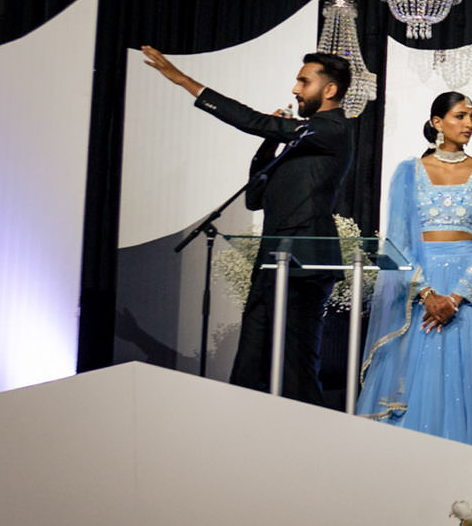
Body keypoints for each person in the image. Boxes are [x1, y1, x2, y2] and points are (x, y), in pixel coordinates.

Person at [140, 46, 353, 406]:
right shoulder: (301, 140)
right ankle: (242, 437)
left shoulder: (332, 129)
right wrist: (271, 142)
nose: (295, 89)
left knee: (295, 364)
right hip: (273, 262)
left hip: (305, 264)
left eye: (304, 81)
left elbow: (253, 120)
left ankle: (312, 444)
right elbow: (256, 197)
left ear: (329, 90)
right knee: (250, 360)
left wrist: (185, 82)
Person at [354, 92, 472, 469]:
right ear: (437, 122)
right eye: (460, 116)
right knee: (418, 388)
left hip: (468, 295)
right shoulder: (407, 172)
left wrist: (456, 298)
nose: (469, 124)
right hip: (420, 291)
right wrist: (428, 293)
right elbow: (396, 242)